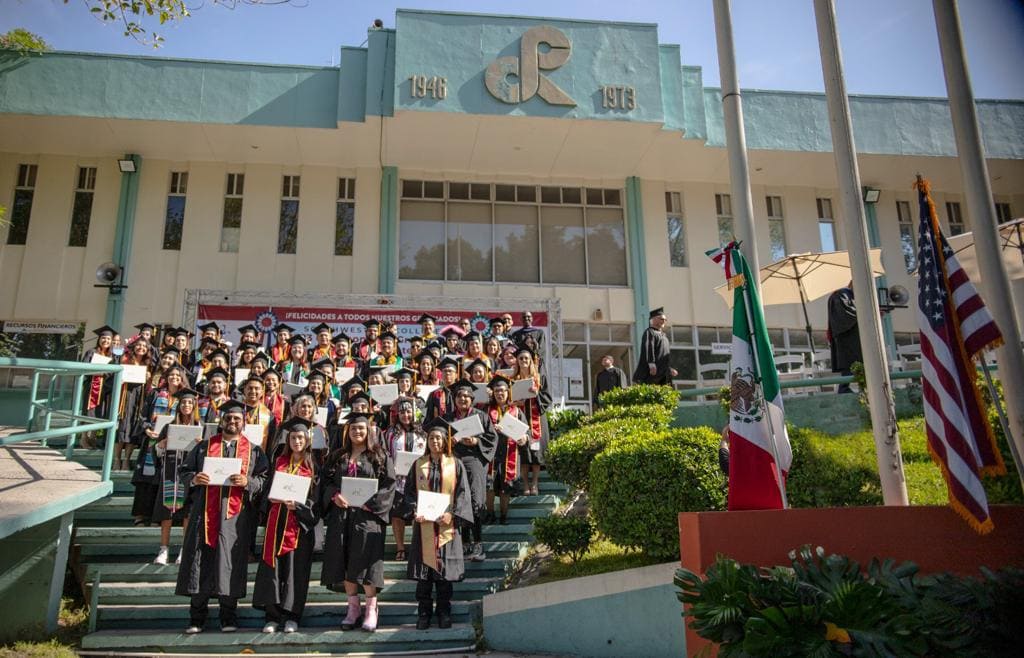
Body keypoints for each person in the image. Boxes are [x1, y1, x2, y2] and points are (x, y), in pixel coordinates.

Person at [176, 399, 269, 634]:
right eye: (228, 418)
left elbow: (264, 479)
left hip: (235, 517)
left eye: (237, 418)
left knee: (230, 563)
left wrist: (248, 481)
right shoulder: (204, 446)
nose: (232, 421)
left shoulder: (255, 451)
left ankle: (228, 616)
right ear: (221, 420)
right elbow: (185, 471)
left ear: (243, 422)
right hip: (204, 513)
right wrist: (195, 479)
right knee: (201, 561)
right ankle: (197, 617)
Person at [320, 413, 396, 632]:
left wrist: (370, 503)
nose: (357, 432)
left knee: (367, 561)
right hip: (342, 516)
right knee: (344, 559)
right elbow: (325, 483)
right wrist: (334, 495)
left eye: (361, 429)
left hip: (368, 517)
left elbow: (389, 485)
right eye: (353, 429)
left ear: (368, 431)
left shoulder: (379, 456)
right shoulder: (338, 456)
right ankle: (353, 608)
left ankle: (371, 609)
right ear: (348, 432)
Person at [403, 417, 473, 630]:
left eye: (439, 438)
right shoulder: (418, 465)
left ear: (445, 441)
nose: (435, 441)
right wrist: (415, 511)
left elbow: (463, 493)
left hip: (446, 527)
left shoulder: (455, 464)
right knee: (425, 574)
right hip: (424, 525)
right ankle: (424, 613)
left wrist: (452, 514)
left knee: (443, 574)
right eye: (432, 438)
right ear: (427, 441)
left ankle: (444, 612)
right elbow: (408, 493)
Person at [253, 417, 320, 634]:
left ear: (307, 440)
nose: (297, 441)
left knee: (295, 571)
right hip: (276, 521)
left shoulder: (313, 466)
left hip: (299, 527)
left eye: (300, 437)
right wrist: (270, 499)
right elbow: (267, 490)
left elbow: (316, 500)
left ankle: (292, 616)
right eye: (293, 437)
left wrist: (300, 507)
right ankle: (272, 616)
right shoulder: (279, 462)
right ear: (288, 439)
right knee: (273, 569)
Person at [136, 388, 201, 565]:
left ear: (194, 405)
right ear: (178, 405)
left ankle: (183, 550)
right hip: (170, 474)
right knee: (167, 513)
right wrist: (161, 445)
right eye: (184, 402)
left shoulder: (199, 428)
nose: (186, 405)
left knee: (187, 513)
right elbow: (155, 451)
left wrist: (201, 446)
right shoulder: (168, 426)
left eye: (190, 402)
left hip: (190, 477)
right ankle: (163, 550)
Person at [444, 379, 497, 561]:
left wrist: (476, 441)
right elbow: (437, 440)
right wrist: (448, 443)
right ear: (454, 398)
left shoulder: (481, 416)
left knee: (474, 501)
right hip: (454, 462)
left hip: (475, 461)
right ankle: (465, 544)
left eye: (467, 396)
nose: (463, 399)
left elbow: (492, 438)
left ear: (472, 399)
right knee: (460, 501)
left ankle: (478, 544)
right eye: (460, 396)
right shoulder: (448, 418)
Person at [382, 397, 427, 561]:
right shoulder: (389, 434)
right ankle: (400, 547)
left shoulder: (423, 434)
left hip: (419, 481)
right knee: (397, 514)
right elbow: (385, 454)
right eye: (402, 412)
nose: (405, 415)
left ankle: (417, 546)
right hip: (398, 481)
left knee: (418, 513)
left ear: (414, 413)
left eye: (408, 411)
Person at [485, 375, 527, 524]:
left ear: (508, 392)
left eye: (502, 391)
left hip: (510, 453)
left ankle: (503, 516)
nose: (500, 394)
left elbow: (525, 432)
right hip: (491, 453)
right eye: (496, 391)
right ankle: (490, 514)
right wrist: (492, 429)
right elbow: (481, 430)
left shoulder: (516, 411)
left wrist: (524, 439)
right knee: (489, 485)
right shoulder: (487, 410)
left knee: (506, 487)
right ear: (493, 393)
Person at [510, 346, 550, 496]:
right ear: (517, 361)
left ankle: (535, 484)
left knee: (535, 451)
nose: (523, 361)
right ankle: (525, 484)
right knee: (524, 453)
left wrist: (536, 394)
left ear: (531, 361)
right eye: (521, 358)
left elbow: (547, 398)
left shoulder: (539, 378)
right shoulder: (513, 380)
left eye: (526, 358)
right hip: (520, 419)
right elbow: (508, 400)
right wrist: (515, 401)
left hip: (536, 420)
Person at [827, 282, 861, 394]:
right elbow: (846, 314)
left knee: (860, 369)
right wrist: (866, 313)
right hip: (848, 341)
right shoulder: (841, 294)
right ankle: (844, 390)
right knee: (848, 369)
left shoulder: (854, 296)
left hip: (856, 340)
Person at [632, 307, 676, 385]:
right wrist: (651, 364)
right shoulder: (650, 332)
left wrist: (669, 369)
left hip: (663, 373)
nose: (664, 321)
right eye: (661, 319)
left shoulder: (664, 336)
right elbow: (649, 348)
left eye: (665, 320)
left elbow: (664, 355)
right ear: (653, 319)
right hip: (652, 372)